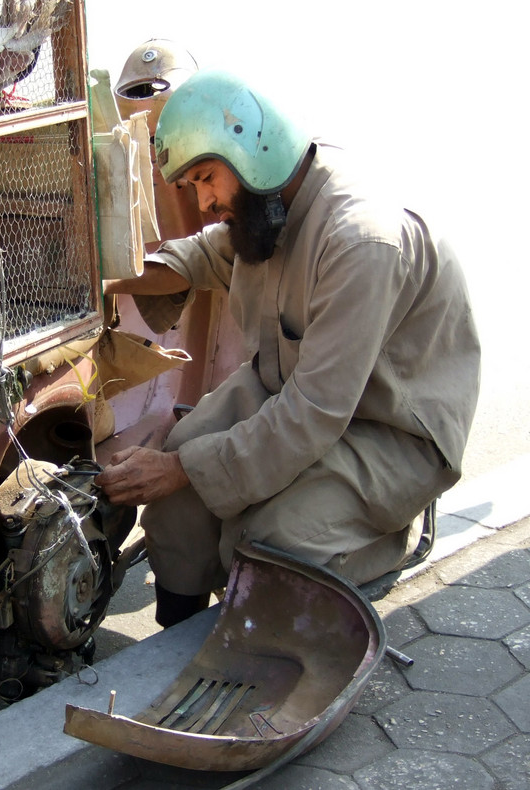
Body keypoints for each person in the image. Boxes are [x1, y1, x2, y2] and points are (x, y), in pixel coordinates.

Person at [95, 70, 481, 628]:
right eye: (194, 188)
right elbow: (195, 258)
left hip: (389, 427)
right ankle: (174, 645)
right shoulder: (267, 208)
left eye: (206, 178)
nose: (204, 202)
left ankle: (377, 537)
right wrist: (98, 280)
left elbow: (314, 415)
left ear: (252, 149)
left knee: (267, 540)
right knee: (179, 488)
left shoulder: (360, 242)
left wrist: (184, 468)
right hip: (298, 389)